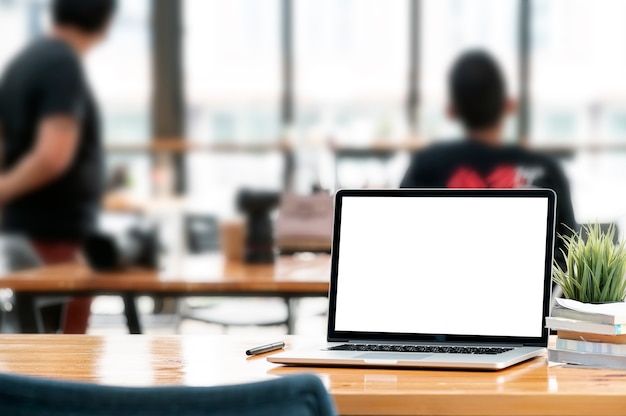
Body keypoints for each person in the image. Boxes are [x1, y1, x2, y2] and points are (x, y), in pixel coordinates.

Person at [0, 0, 116, 333]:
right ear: (105, 23)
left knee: (35, 340)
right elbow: (53, 155)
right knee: (66, 356)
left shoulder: (23, 63)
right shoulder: (62, 65)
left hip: (26, 229)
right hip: (55, 233)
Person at [400, 50, 577, 267]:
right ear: (510, 104)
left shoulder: (425, 165)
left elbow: (402, 246)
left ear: (451, 111)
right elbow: (567, 259)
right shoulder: (547, 168)